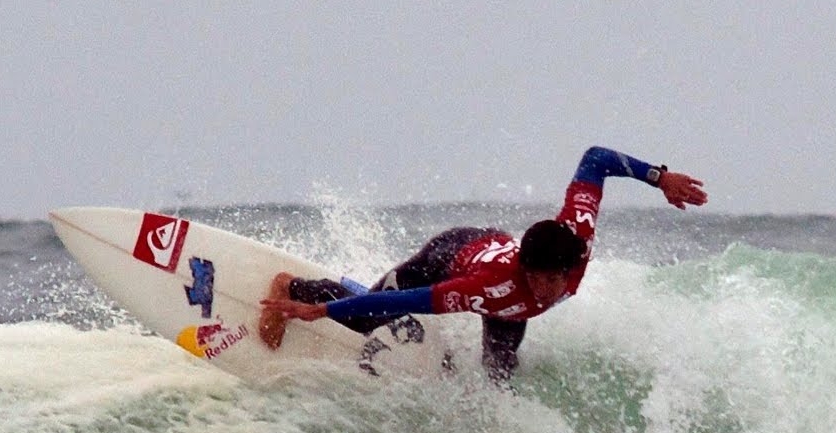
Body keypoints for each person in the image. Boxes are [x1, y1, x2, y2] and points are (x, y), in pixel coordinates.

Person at [258, 145, 708, 380]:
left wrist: (659, 177)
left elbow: (596, 159)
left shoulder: (577, 234)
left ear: (568, 267)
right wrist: (324, 312)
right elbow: (418, 297)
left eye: (551, 281)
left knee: (500, 374)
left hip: (503, 295)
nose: (546, 291)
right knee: (372, 315)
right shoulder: (490, 286)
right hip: (448, 258)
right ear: (525, 270)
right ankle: (295, 287)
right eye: (535, 280)